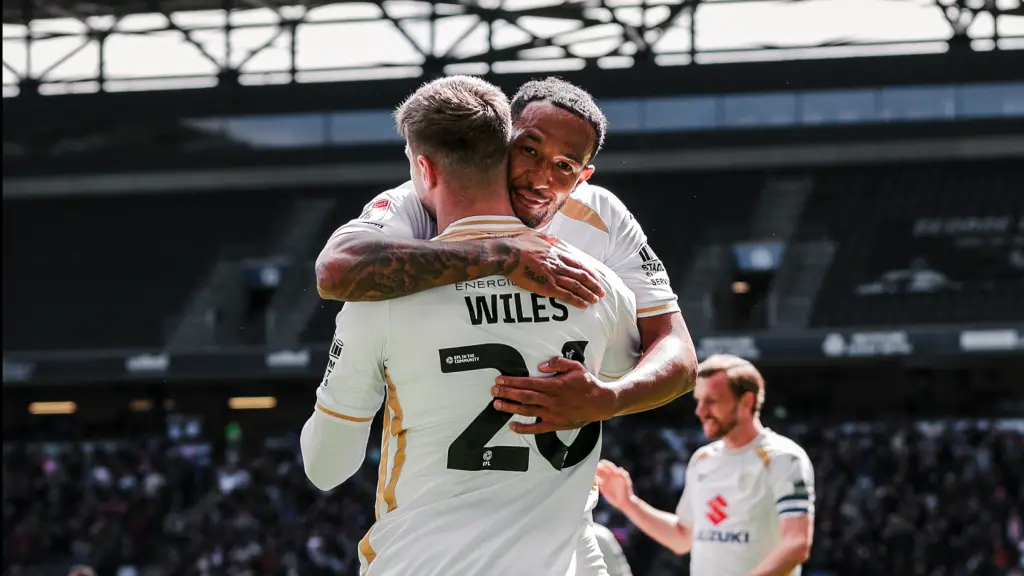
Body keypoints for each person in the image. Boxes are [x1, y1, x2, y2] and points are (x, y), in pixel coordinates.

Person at [300, 75, 641, 576]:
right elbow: (650, 362)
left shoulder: (382, 294)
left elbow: (327, 467)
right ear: (506, 152)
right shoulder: (601, 287)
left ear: (423, 167)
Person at [314, 76, 698, 434]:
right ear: (502, 141)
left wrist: (609, 399)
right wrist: (501, 254)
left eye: (564, 166)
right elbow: (335, 271)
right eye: (529, 149)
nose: (540, 177)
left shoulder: (603, 215)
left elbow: (678, 354)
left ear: (583, 177)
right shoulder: (428, 194)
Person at [597, 354, 815, 576]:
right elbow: (683, 537)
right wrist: (628, 503)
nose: (700, 411)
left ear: (746, 402)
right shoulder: (703, 460)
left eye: (712, 401)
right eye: (698, 401)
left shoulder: (784, 458)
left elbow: (797, 544)